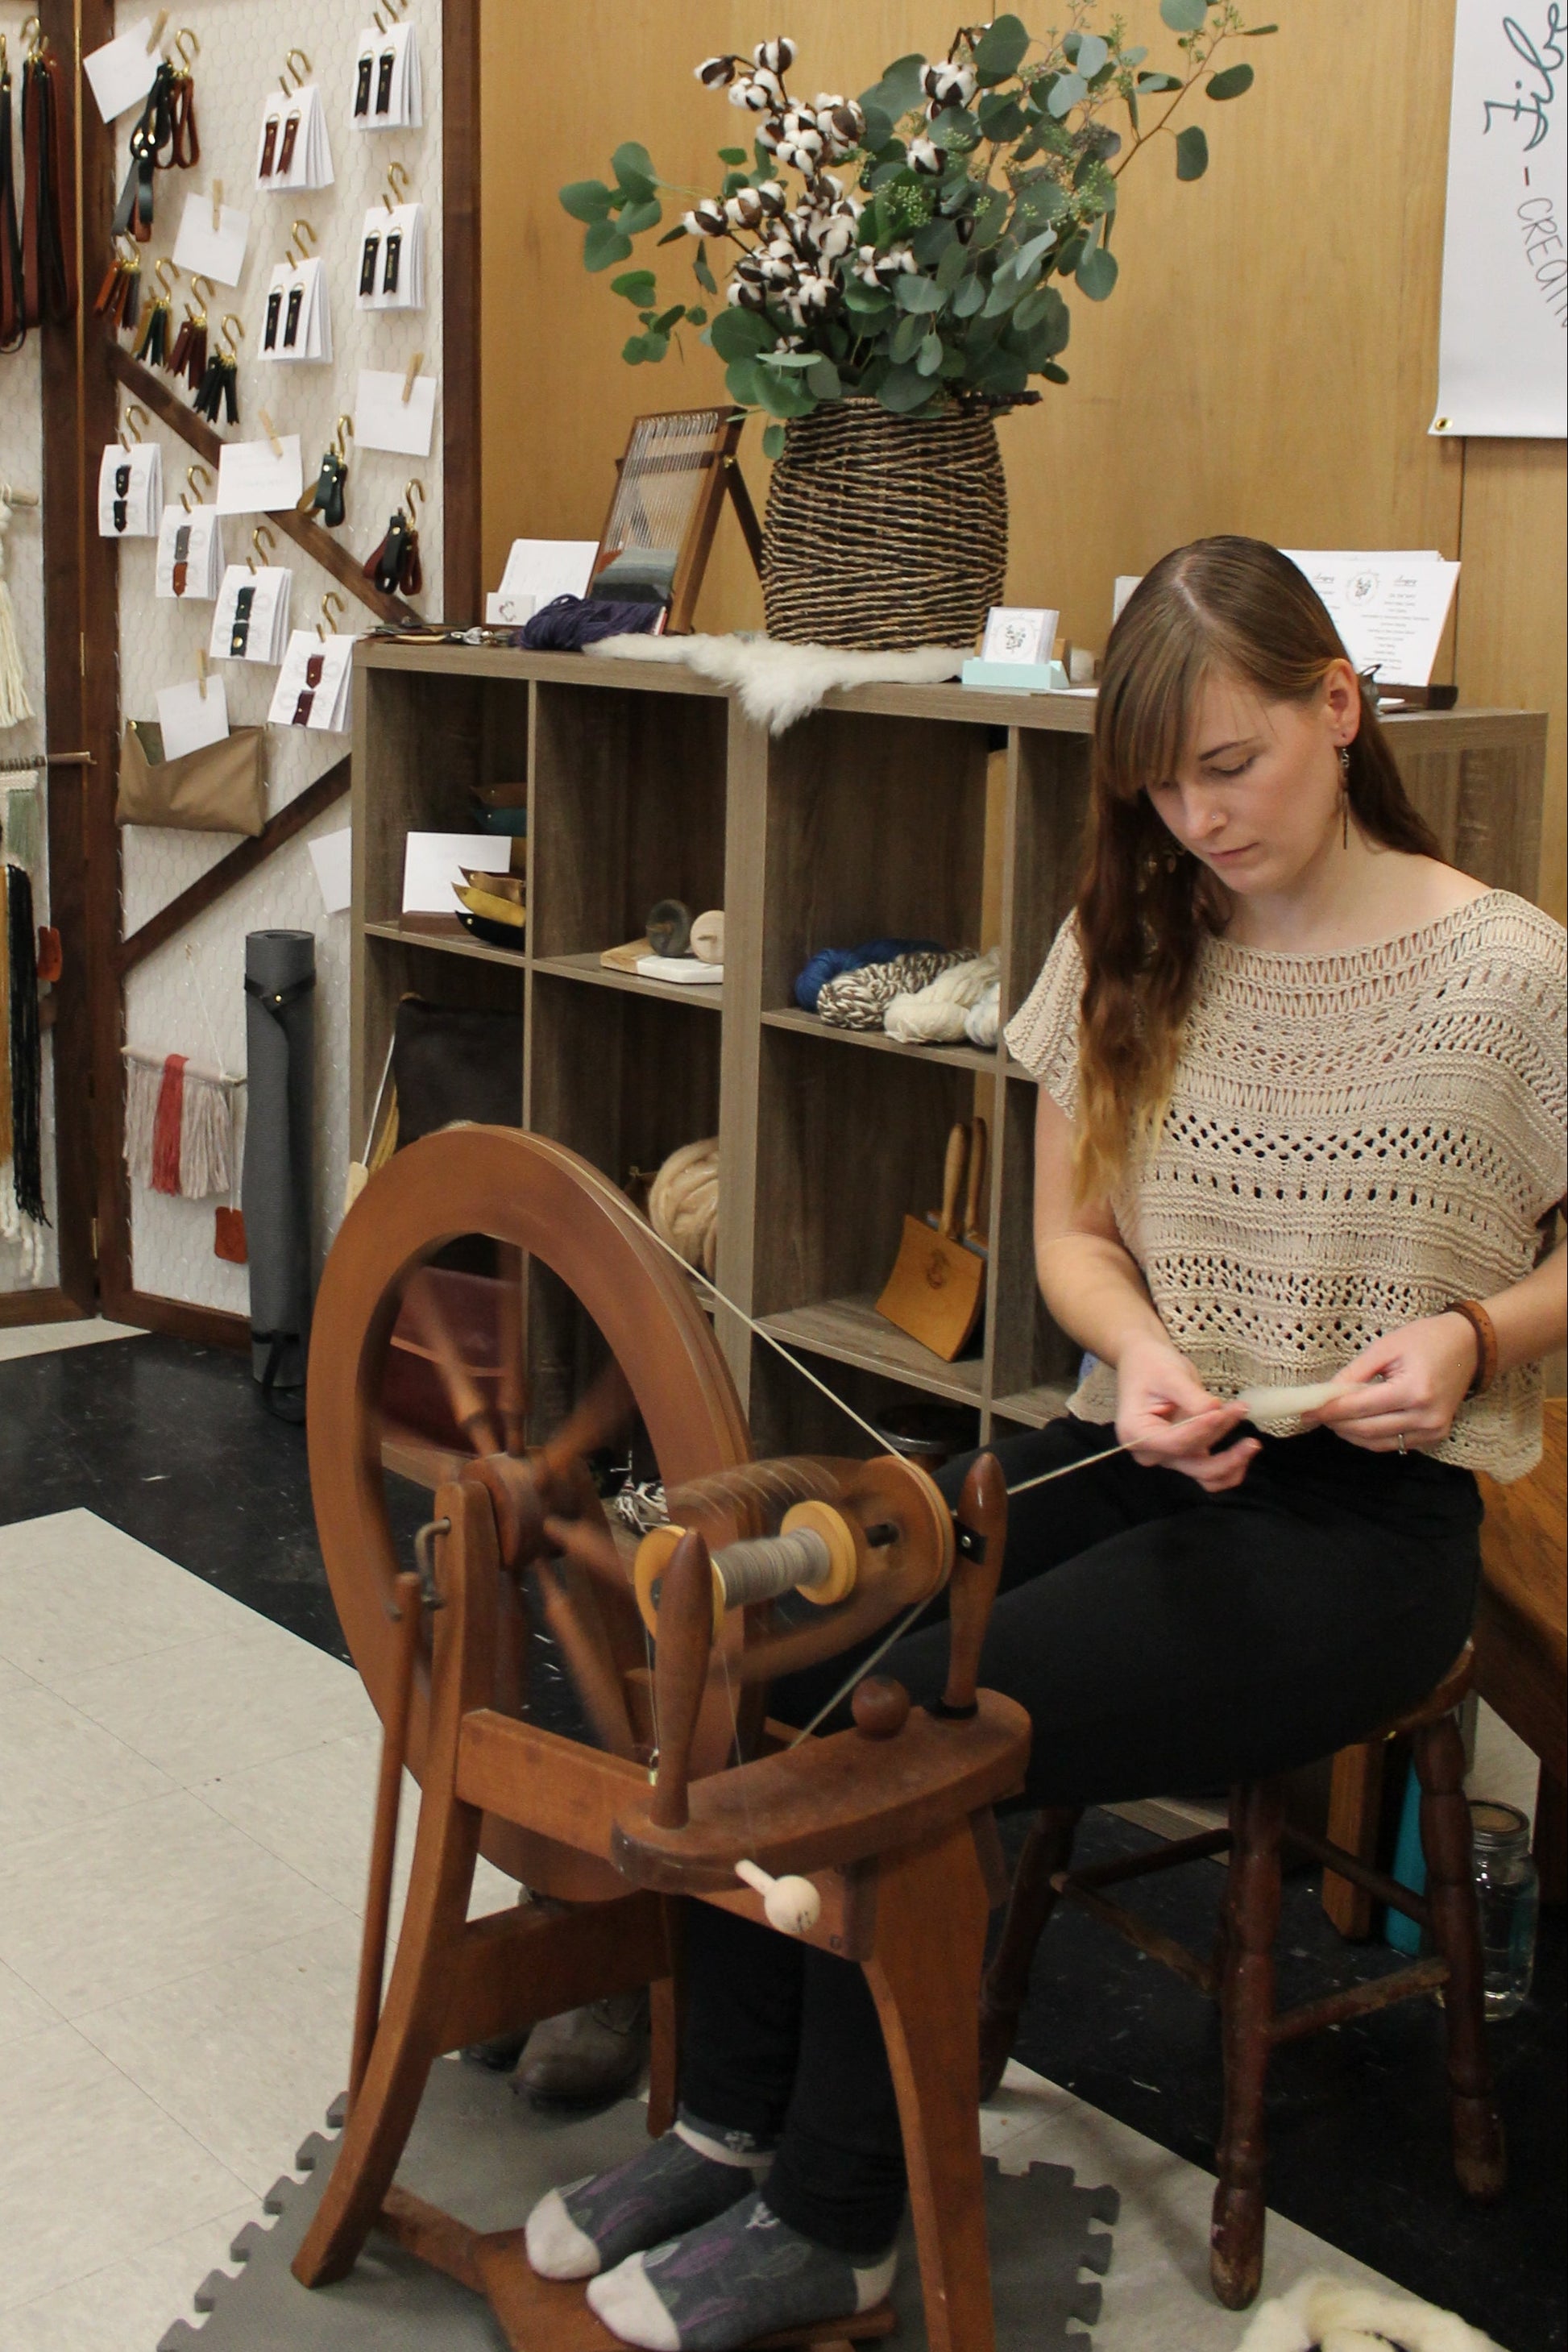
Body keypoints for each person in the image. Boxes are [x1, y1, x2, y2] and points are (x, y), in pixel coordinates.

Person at [524, 536, 1568, 2350]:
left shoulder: (1506, 972)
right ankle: (726, 2123)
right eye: (1157, 783)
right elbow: (1074, 1241)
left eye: (1226, 765)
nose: (1193, 816)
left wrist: (1480, 1333)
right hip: (1142, 1441)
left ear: (1340, 706)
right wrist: (1145, 1351)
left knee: (908, 1711)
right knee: (777, 1636)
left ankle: (839, 2216)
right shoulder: (1136, 930)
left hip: (1367, 1533)